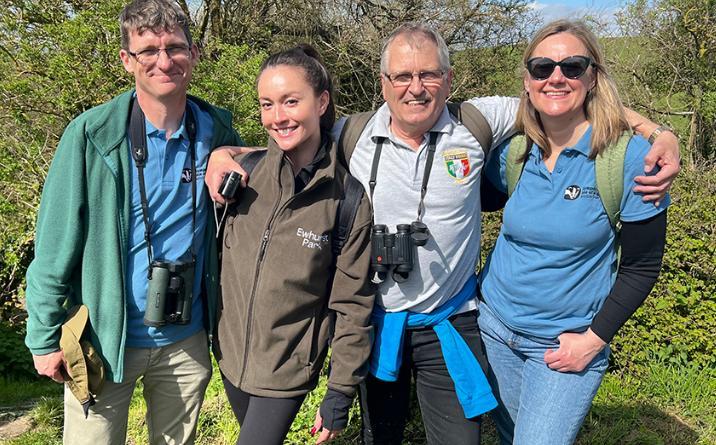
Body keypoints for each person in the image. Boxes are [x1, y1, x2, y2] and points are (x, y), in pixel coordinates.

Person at [205, 23, 679, 445]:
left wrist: (659, 132)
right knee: (382, 435)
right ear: (384, 85)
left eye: (429, 74)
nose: (416, 88)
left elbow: (563, 100)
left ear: (448, 80)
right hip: (376, 321)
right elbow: (290, 135)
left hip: (450, 322)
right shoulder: (354, 133)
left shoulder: (478, 122)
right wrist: (222, 154)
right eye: (403, 77)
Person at [24, 1, 242, 444]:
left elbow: (276, 158)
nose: (165, 60)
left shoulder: (217, 131)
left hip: (186, 340)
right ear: (127, 60)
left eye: (176, 47)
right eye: (149, 50)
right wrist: (43, 336)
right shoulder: (90, 135)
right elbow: (54, 242)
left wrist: (235, 154)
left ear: (194, 54)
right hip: (104, 341)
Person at [478, 19, 669, 445]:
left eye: (572, 66)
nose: (556, 77)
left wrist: (593, 341)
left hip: (565, 345)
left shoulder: (629, 158)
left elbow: (642, 266)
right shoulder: (513, 150)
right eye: (542, 67)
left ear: (593, 76)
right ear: (527, 81)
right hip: (494, 328)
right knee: (511, 435)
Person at [214, 45, 374, 445]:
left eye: (290, 101)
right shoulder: (244, 176)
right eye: (267, 104)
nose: (277, 116)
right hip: (230, 358)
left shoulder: (347, 200)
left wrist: (340, 391)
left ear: (321, 102)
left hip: (286, 369)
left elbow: (353, 306)